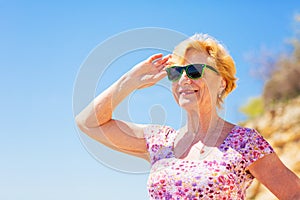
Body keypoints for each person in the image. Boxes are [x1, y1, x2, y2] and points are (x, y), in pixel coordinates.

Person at [75, 33, 300, 199]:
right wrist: (129, 81)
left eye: (194, 71)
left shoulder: (245, 143)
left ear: (221, 82)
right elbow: (88, 123)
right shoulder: (159, 142)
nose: (184, 80)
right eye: (176, 73)